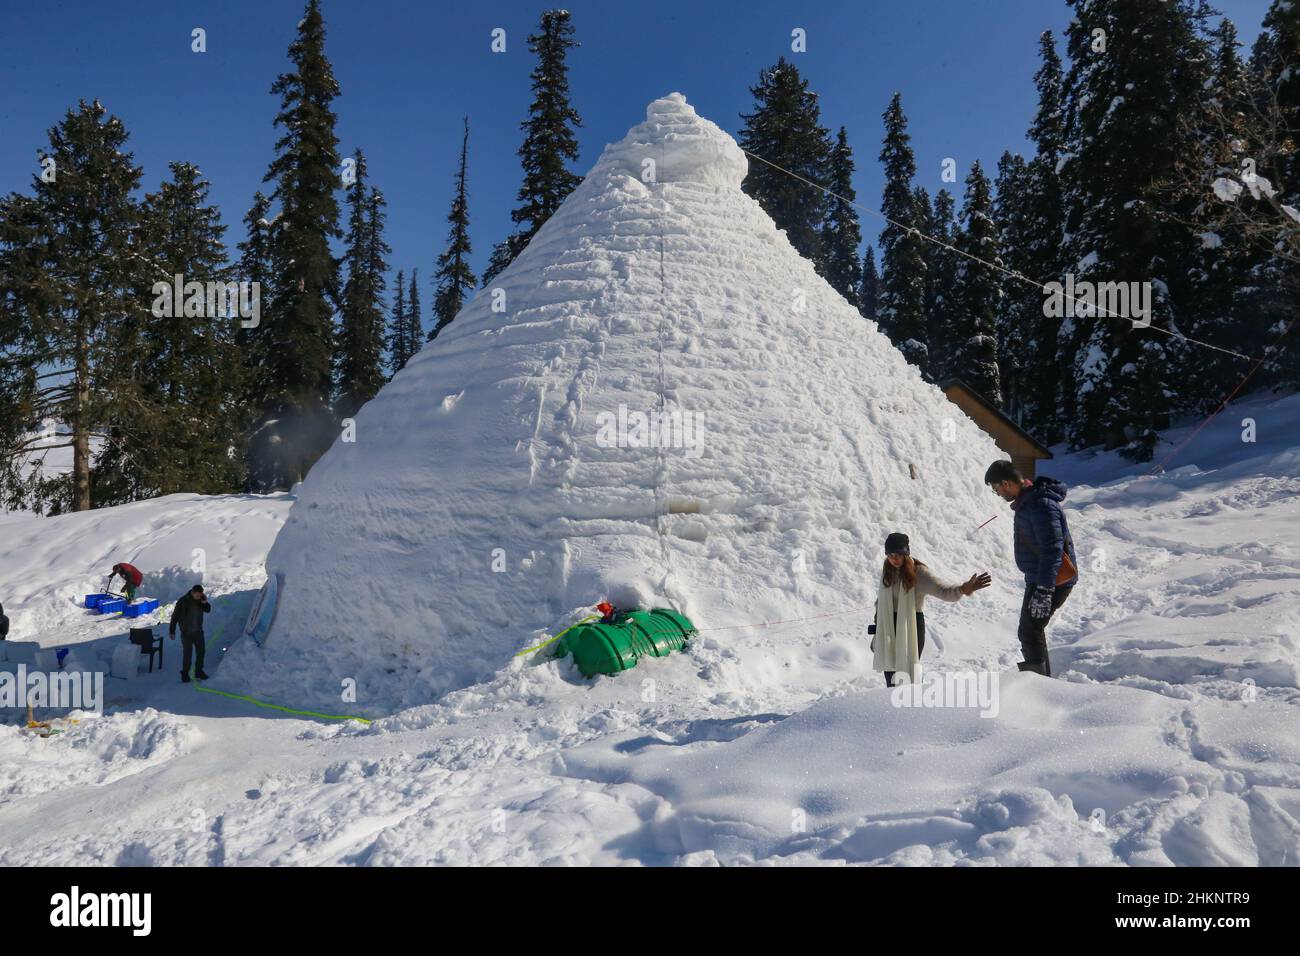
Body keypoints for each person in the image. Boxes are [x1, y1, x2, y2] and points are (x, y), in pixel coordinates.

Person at [984, 460, 1078, 677]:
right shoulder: (1029, 502)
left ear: (1006, 483)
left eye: (996, 489)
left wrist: (1044, 591)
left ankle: (1038, 687)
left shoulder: (1040, 505)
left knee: (1029, 631)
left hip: (1053, 580)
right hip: (1040, 578)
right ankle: (1042, 682)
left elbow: (1053, 550)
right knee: (1031, 630)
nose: (997, 494)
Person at [871, 532, 992, 687]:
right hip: (888, 627)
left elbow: (943, 591)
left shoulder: (919, 573)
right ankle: (896, 709)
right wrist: (877, 623)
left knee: (905, 679)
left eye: (898, 554)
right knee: (891, 680)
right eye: (890, 555)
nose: (894, 559)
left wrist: (963, 589)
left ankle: (910, 708)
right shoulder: (887, 570)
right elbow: (881, 600)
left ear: (906, 553)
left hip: (910, 627)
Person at [170, 584, 211, 682]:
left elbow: (208, 610)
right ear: (192, 592)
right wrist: (172, 631)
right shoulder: (182, 601)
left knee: (201, 653)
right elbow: (175, 616)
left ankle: (199, 672)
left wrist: (205, 603)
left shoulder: (201, 600)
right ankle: (185, 674)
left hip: (198, 632)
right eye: (196, 595)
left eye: (199, 595)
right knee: (187, 655)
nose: (198, 597)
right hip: (186, 633)